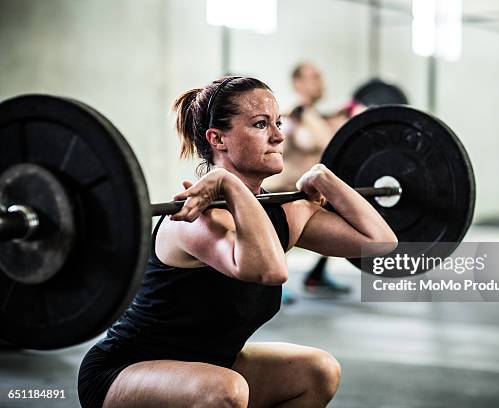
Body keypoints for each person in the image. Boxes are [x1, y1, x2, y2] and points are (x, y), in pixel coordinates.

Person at [77, 76, 397, 408]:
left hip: (209, 365)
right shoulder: (196, 219)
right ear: (217, 139)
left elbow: (380, 243)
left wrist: (325, 177)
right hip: (126, 371)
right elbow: (269, 271)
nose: (278, 135)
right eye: (261, 124)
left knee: (317, 371)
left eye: (278, 122)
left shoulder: (286, 211)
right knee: (226, 391)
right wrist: (228, 184)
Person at [265, 63, 353, 297]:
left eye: (320, 76)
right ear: (298, 83)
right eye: (313, 77)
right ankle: (268, 284)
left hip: (305, 194)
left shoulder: (317, 115)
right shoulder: (289, 117)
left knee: (342, 215)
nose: (320, 82)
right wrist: (309, 113)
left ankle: (317, 275)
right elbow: (327, 143)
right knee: (277, 237)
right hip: (277, 194)